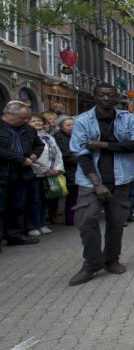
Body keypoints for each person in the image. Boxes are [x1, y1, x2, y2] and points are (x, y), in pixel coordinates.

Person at [68, 83, 134, 286]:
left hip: (121, 179)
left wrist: (104, 145)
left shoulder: (127, 118)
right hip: (91, 180)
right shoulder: (83, 121)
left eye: (110, 95)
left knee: (116, 222)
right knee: (86, 220)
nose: (106, 98)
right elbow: (81, 154)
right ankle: (92, 263)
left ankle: (112, 260)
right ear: (95, 97)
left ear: (116, 97)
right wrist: (97, 184)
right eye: (101, 95)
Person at [0, 100, 44, 246]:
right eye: (22, 118)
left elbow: (39, 144)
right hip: (3, 171)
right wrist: (20, 159)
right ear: (8, 114)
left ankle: (15, 235)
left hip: (21, 174)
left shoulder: (28, 129)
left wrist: (35, 155)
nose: (26, 121)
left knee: (18, 206)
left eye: (27, 118)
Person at [26, 114, 64, 236]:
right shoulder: (28, 136)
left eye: (39, 121)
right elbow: (31, 156)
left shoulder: (49, 137)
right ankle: (33, 225)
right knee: (34, 200)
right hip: (36, 173)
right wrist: (44, 169)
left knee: (45, 200)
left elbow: (57, 153)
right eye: (33, 121)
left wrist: (57, 168)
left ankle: (42, 223)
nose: (37, 123)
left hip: (50, 172)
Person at [53, 116, 79, 225]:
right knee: (72, 195)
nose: (71, 127)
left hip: (76, 168)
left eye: (73, 124)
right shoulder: (59, 137)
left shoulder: (75, 136)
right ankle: (70, 217)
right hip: (68, 169)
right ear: (61, 127)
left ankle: (75, 216)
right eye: (68, 125)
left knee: (76, 194)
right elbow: (66, 154)